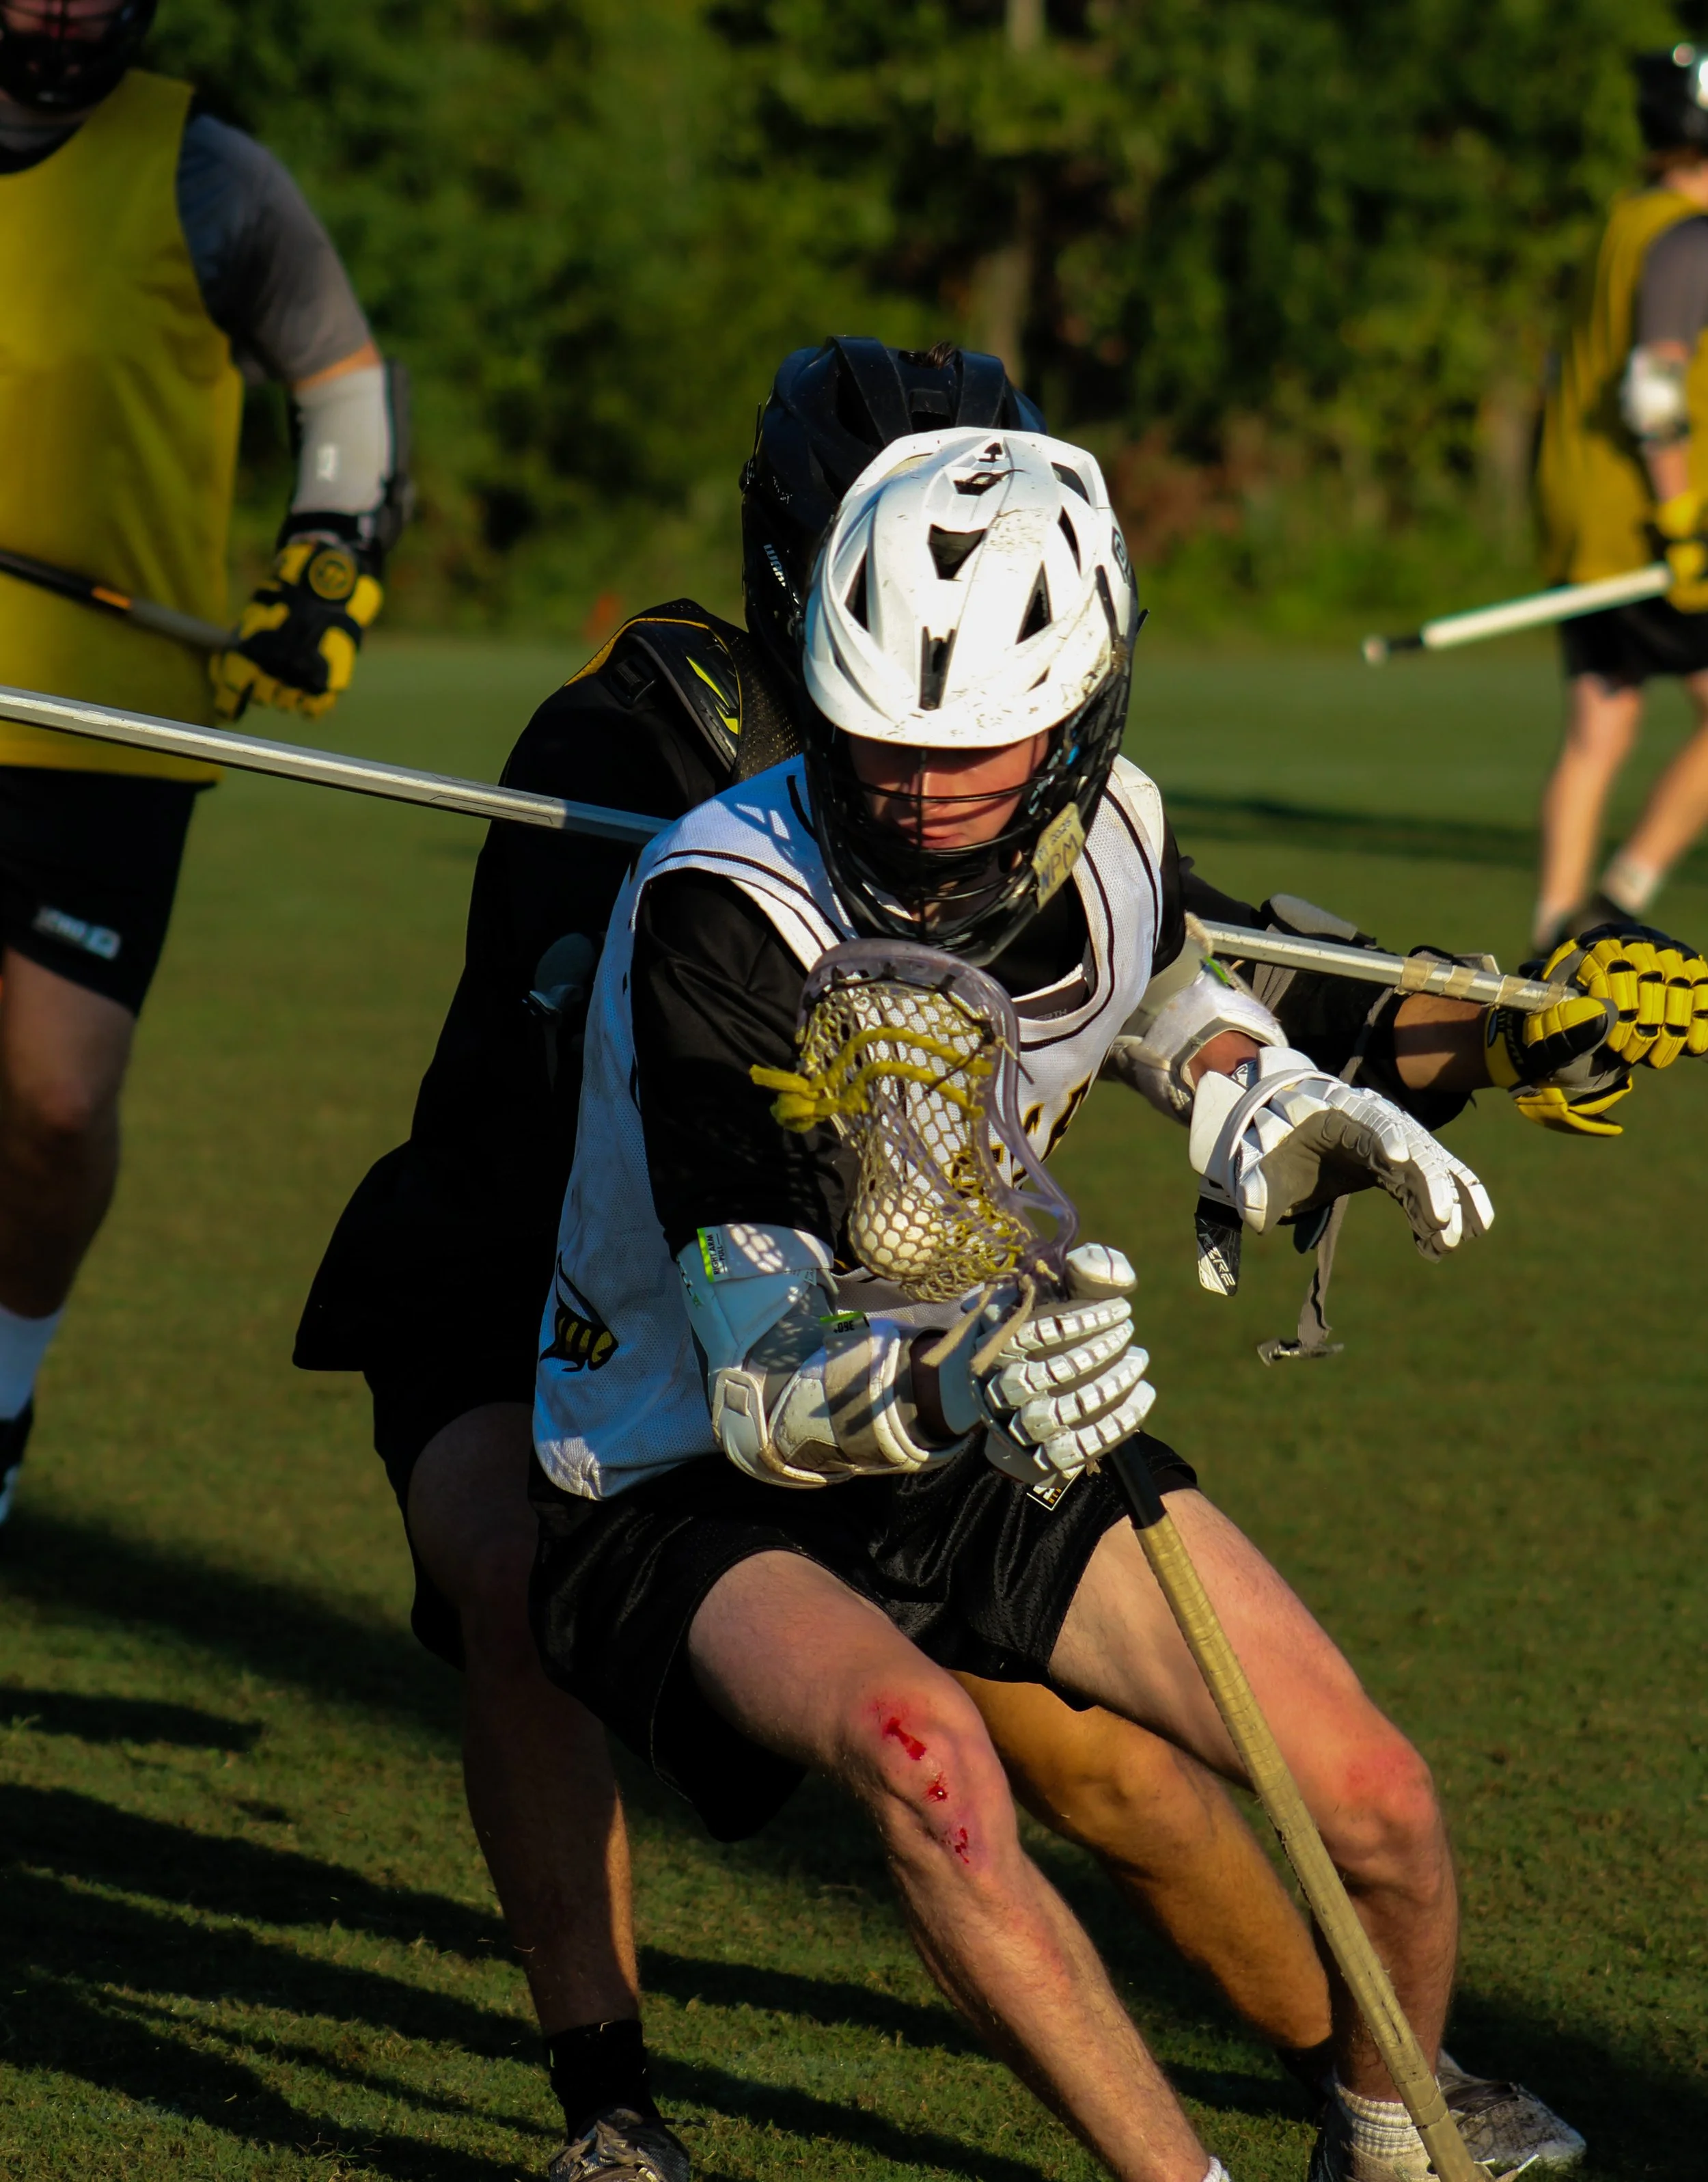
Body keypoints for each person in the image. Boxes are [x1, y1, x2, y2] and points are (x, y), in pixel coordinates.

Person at [301, 341, 1679, 2177]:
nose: (935, 767)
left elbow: (1229, 989)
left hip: (928, 1349)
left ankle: (1370, 2087)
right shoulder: (642, 770)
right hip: (570, 1270)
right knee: (512, 1575)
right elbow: (649, 1118)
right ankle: (607, 2101)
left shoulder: (1077, 824)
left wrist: (1502, 1034)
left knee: (1119, 1758)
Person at [0, 0, 406, 1523]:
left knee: (48, 1108)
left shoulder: (207, 174)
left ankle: (5, 1387)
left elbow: (344, 388)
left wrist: (325, 555)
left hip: (112, 733)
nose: (56, 12)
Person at [1532, 41, 1708, 951]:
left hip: (1581, 509)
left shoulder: (1622, 220)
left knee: (1600, 726)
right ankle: (1618, 895)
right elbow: (1654, 387)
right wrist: (1680, 512)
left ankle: (1551, 936)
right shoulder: (1689, 234)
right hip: (1650, 517)